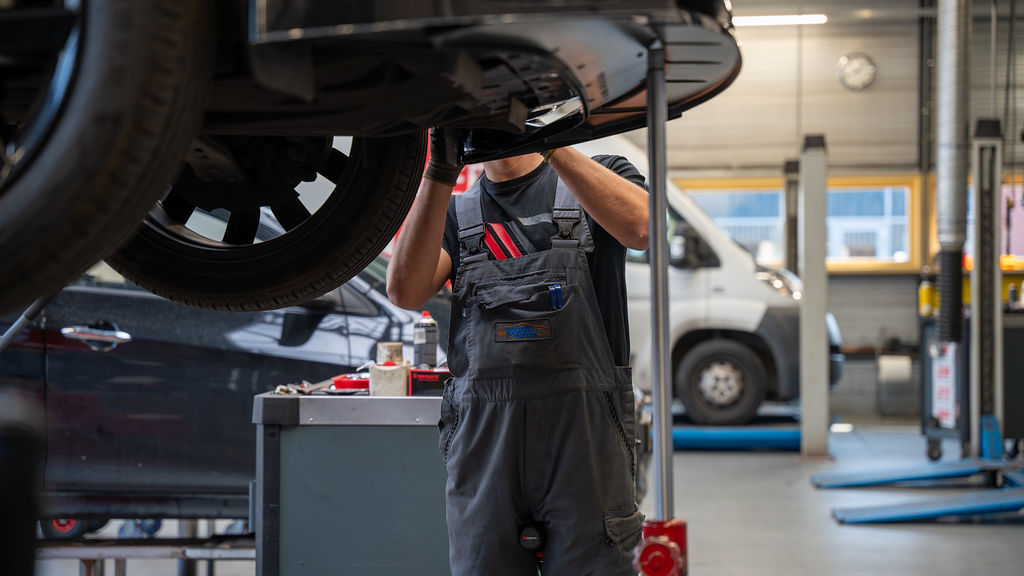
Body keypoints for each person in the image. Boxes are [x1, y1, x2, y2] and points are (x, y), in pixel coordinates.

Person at [387, 129, 649, 575]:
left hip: (585, 445)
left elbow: (643, 227)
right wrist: (439, 171)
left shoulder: (598, 176)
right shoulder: (455, 214)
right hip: (487, 450)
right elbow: (405, 291)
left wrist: (550, 139)